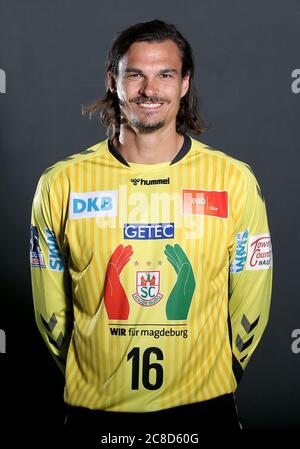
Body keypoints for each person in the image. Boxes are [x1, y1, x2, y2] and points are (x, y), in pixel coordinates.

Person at [30, 19, 273, 443]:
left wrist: (222, 374)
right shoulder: (62, 183)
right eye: (135, 74)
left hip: (202, 410)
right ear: (113, 81)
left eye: (165, 74)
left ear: (183, 84)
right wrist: (90, 371)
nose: (149, 89)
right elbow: (51, 313)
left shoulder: (232, 180)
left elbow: (253, 295)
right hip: (96, 413)